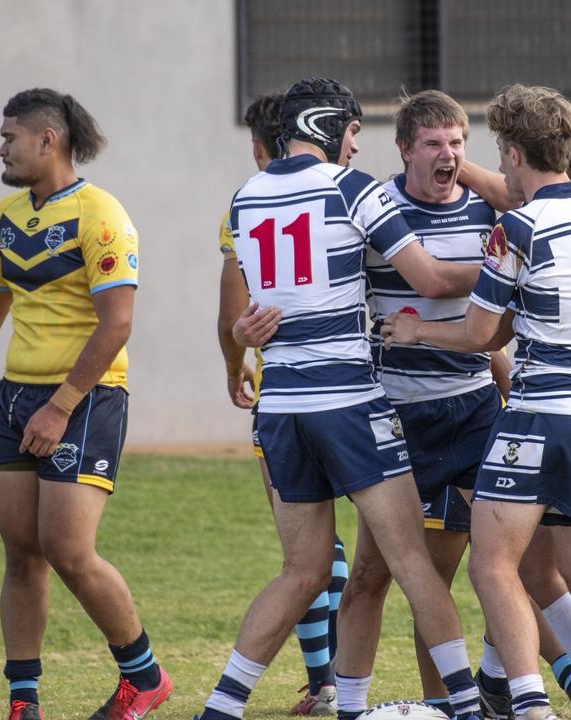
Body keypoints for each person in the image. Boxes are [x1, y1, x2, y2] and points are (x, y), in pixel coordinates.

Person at [195, 76, 484, 720]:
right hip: (349, 399)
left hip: (281, 407)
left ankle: (220, 708)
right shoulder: (353, 189)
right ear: (329, 126)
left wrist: (242, 342)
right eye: (352, 132)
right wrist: (512, 263)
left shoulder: (244, 198)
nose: (356, 148)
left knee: (302, 573)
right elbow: (431, 280)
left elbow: (254, 314)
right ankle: (466, 707)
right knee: (414, 564)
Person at [382, 83, 571, 720]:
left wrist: (417, 332)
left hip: (541, 414)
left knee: (494, 567)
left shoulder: (516, 229)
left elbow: (479, 334)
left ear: (515, 156)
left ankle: (528, 706)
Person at [333, 89, 571, 720]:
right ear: (403, 150)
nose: (448, 156)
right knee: (376, 576)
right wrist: (502, 268)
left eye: (458, 144)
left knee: (522, 565)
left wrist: (480, 200)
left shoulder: (488, 209)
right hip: (398, 417)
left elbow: (534, 204)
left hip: (474, 409)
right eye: (434, 145)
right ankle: (373, 707)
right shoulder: (377, 208)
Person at [0, 88, 171, 720]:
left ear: (49, 140)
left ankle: (143, 676)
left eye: (11, 135)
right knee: (21, 553)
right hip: (14, 397)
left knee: (68, 549)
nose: (1, 146)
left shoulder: (103, 215)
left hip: (86, 398)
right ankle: (24, 702)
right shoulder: (7, 215)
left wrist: (61, 405)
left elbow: (116, 324)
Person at [215, 90, 347, 717]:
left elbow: (232, 309)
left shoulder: (249, 199)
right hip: (367, 388)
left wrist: (234, 360)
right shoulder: (347, 189)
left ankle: (328, 682)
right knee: (372, 551)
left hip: (291, 396)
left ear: (265, 145)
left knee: (306, 556)